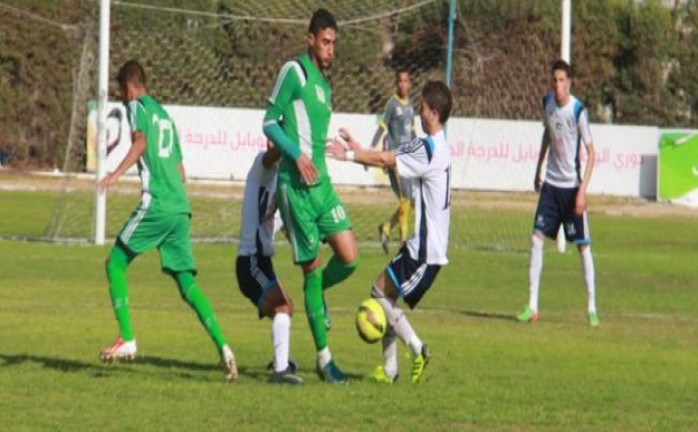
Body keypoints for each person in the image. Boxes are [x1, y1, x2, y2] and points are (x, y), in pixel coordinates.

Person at [98, 60, 238, 382]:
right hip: (180, 208)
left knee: (115, 263)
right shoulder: (166, 117)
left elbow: (141, 142)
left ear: (129, 87)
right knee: (187, 284)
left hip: (158, 203)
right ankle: (224, 347)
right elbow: (180, 171)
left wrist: (114, 175)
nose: (123, 97)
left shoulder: (137, 107)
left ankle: (127, 339)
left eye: (122, 92)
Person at [327, 80, 453, 384]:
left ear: (433, 113)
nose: (418, 113)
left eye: (422, 108)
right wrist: (359, 148)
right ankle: (390, 369)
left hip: (424, 250)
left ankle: (417, 348)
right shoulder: (442, 147)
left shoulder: (427, 147)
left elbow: (387, 159)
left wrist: (346, 155)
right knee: (384, 294)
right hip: (424, 247)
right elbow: (390, 156)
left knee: (379, 292)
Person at [262, 8, 359, 384]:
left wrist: (319, 151)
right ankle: (324, 360)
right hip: (295, 190)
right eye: (325, 41)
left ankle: (317, 299)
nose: (331, 49)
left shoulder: (324, 85)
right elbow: (269, 122)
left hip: (322, 186)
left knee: (349, 257)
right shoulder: (295, 72)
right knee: (313, 270)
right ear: (310, 39)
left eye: (334, 42)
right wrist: (297, 155)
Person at [516, 59, 599, 327]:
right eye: (554, 80)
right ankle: (532, 305)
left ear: (569, 82)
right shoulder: (547, 104)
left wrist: (582, 192)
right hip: (551, 186)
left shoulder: (578, 111)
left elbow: (592, 153)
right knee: (536, 239)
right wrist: (538, 167)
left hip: (572, 187)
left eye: (562, 81)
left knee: (583, 247)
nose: (558, 85)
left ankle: (591, 307)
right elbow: (547, 135)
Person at [235, 145, 303, 385]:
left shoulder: (282, 182)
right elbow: (273, 155)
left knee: (286, 308)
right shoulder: (261, 167)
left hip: (261, 261)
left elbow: (284, 226)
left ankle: (279, 361)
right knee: (282, 306)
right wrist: (290, 144)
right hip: (251, 260)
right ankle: (281, 371)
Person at [370, 68, 417, 254]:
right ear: (396, 83)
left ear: (410, 83)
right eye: (399, 81)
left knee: (411, 201)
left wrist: (418, 152)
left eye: (405, 81)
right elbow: (382, 127)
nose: (402, 85)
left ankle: (387, 227)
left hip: (408, 159)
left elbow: (412, 131)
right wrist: (371, 149)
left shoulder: (410, 105)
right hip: (394, 160)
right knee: (406, 199)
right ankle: (403, 243)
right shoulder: (392, 104)